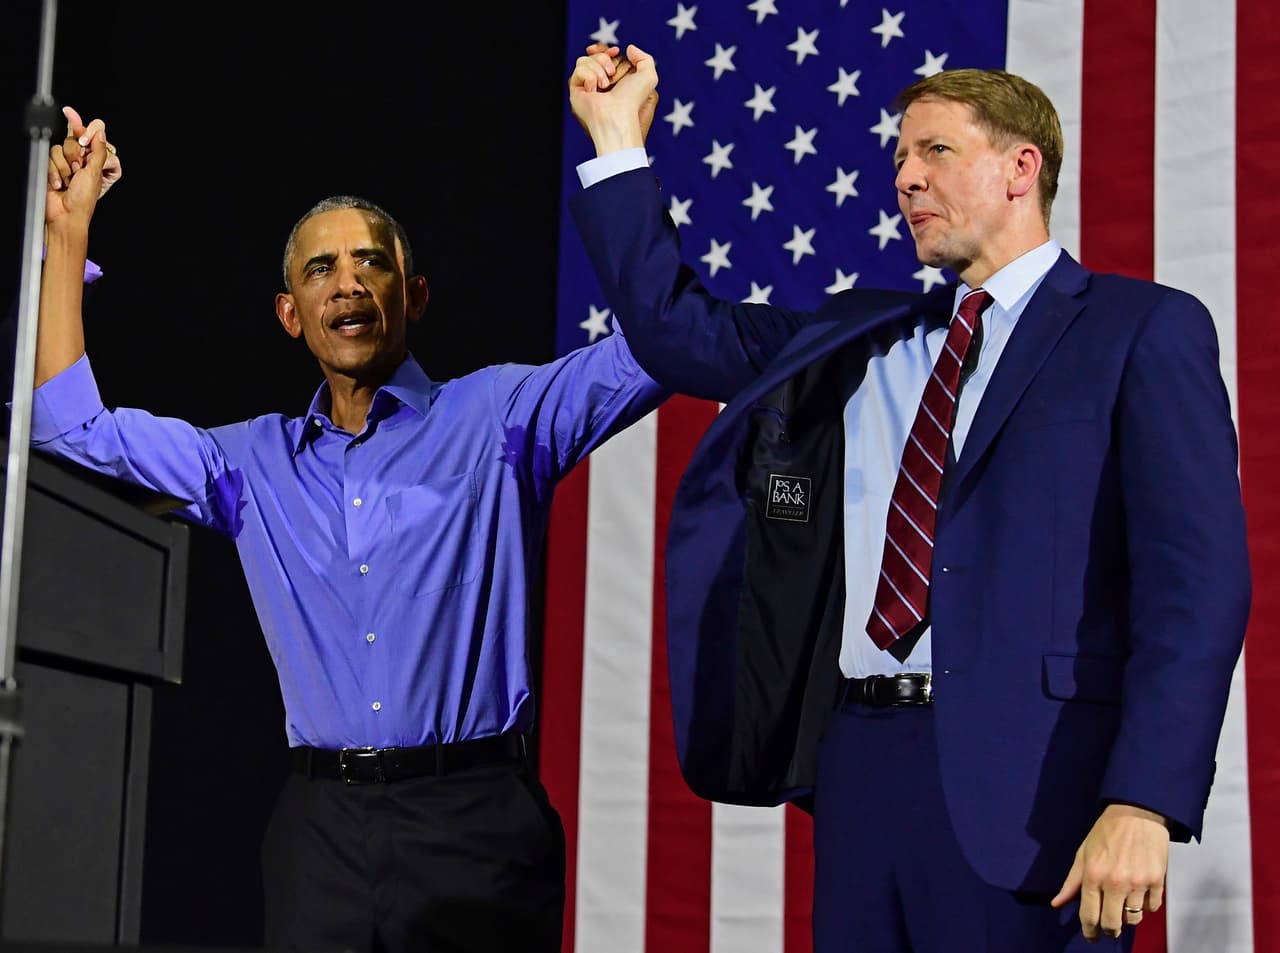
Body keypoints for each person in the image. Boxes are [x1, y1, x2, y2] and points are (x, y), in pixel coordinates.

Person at [566, 44, 1250, 952]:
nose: (906, 179)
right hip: (860, 765)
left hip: (1038, 788)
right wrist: (617, 137)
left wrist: (1145, 798)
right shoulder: (858, 336)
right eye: (898, 159)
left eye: (933, 152)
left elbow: (1197, 586)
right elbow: (670, 328)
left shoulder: (1140, 330)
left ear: (1021, 166)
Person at [35, 109, 666, 953]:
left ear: (414, 294)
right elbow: (68, 428)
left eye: (372, 262)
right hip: (321, 834)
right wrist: (67, 232)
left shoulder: (502, 416)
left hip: (477, 824)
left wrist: (619, 144)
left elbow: (659, 347)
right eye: (321, 268)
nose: (347, 284)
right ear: (291, 313)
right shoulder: (249, 463)